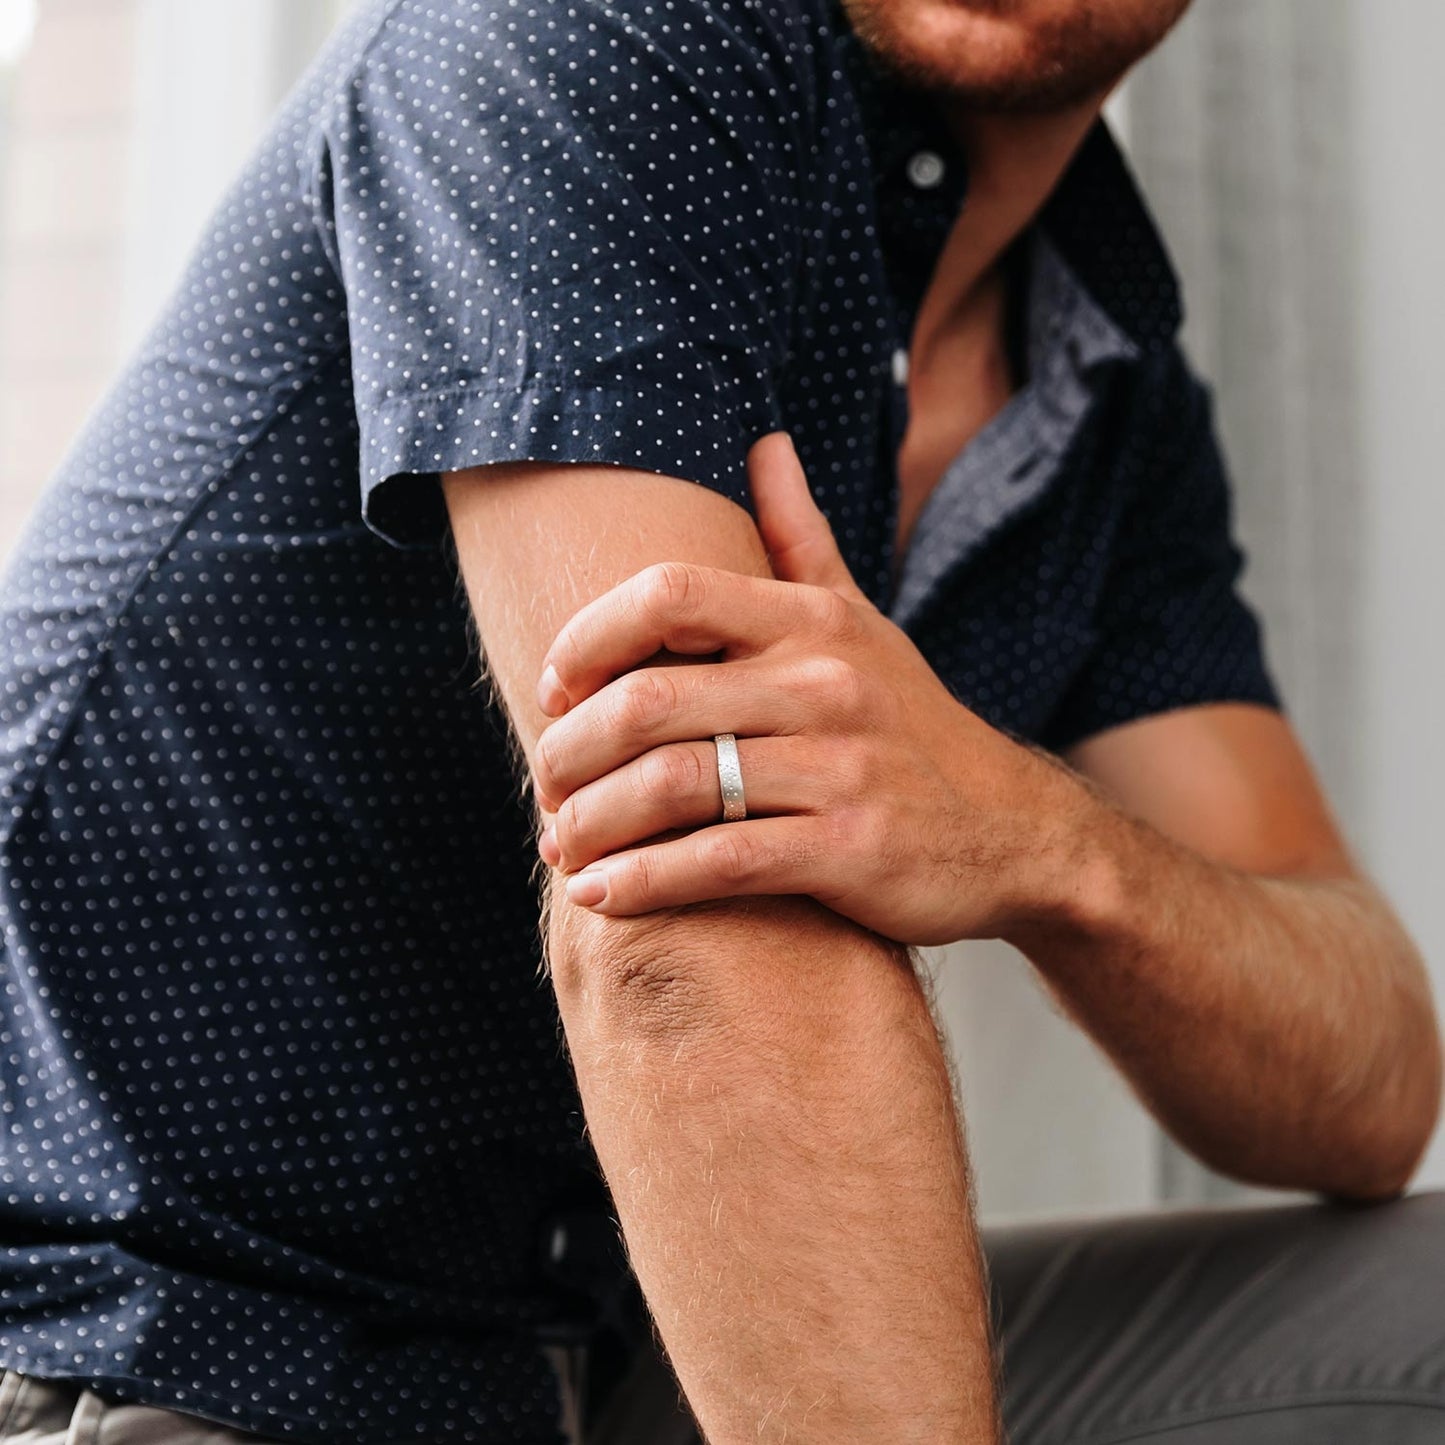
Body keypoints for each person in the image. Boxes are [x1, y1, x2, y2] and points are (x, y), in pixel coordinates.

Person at [0, 0, 1440, 1442]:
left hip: (567, 1368)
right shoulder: (578, 42)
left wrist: (1047, 842)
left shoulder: (1093, 368)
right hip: (157, 1343)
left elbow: (1365, 1084)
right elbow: (683, 932)